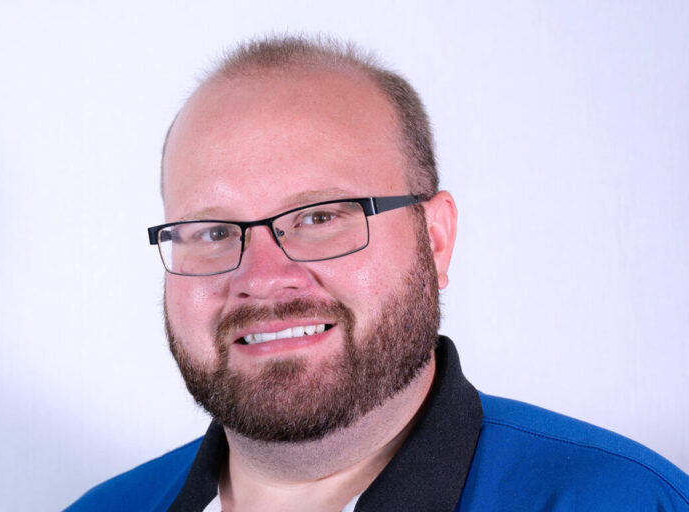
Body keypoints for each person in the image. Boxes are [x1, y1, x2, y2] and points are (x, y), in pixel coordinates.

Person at [67, 36, 689, 511]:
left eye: (319, 217)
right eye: (212, 231)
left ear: (436, 240)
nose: (262, 276)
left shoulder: (622, 499)